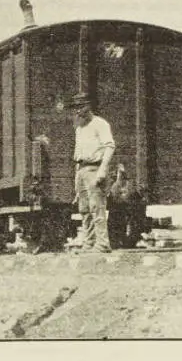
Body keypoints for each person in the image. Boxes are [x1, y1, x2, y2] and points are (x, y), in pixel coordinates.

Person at [70, 92, 115, 253]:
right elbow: (78, 155)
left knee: (97, 207)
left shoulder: (100, 124)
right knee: (84, 209)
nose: (77, 111)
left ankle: (102, 244)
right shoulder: (79, 129)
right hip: (81, 170)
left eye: (80, 107)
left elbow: (110, 146)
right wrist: (77, 179)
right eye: (75, 108)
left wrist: (103, 170)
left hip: (95, 168)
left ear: (88, 107)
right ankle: (89, 243)